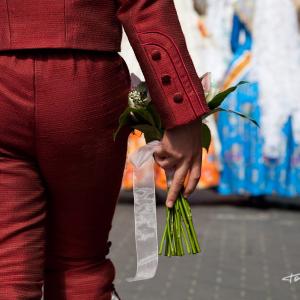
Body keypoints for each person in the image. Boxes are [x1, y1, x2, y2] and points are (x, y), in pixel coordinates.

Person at [0, 1, 209, 299]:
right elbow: (145, 6)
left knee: (7, 269)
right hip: (83, 85)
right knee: (79, 266)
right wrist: (182, 114)